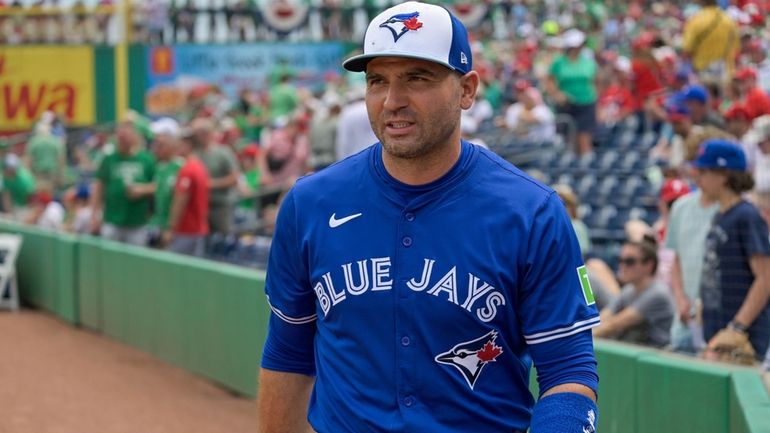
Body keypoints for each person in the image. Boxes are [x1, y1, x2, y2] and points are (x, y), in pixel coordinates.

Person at [257, 3, 600, 433]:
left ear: (467, 90)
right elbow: (289, 352)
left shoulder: (532, 212)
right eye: (377, 81)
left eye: (417, 78)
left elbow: (569, 370)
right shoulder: (311, 203)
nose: (392, 101)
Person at [695, 139, 770, 362]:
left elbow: (765, 277)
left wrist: (738, 326)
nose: (698, 177)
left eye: (704, 171)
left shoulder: (746, 215)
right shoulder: (721, 214)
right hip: (716, 333)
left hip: (741, 337)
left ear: (724, 175)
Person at [664, 177, 719, 353]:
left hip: (718, 317)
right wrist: (681, 299)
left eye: (707, 171)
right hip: (685, 317)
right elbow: (677, 259)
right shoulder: (681, 207)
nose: (701, 175)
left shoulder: (735, 211)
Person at [593, 240, 675, 348]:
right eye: (620, 260)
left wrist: (580, 341)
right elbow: (605, 316)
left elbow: (614, 324)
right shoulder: (629, 289)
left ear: (649, 265)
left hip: (656, 356)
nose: (622, 266)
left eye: (629, 261)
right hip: (633, 351)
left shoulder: (658, 293)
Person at [90, 121, 156, 246]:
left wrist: (142, 189)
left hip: (137, 222)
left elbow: (157, 186)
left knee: (135, 261)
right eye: (120, 137)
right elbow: (99, 187)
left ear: (135, 137)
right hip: (112, 220)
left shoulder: (146, 159)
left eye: (126, 136)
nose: (123, 140)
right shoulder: (109, 158)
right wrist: (94, 216)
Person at [545, 28, 598, 155]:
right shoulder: (559, 62)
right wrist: (557, 94)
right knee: (568, 140)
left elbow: (595, 81)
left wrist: (596, 98)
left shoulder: (588, 62)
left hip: (586, 103)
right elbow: (550, 81)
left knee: (584, 139)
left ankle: (585, 167)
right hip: (566, 105)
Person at [163, 130, 210, 257]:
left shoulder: (188, 169)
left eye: (179, 145)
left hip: (186, 229)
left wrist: (170, 228)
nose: (176, 148)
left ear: (188, 146)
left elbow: (180, 201)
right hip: (198, 228)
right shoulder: (200, 166)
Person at [681, 0, 739, 83]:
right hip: (725, 71)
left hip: (703, 72)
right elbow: (736, 47)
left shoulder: (695, 21)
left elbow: (687, 51)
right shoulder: (729, 20)